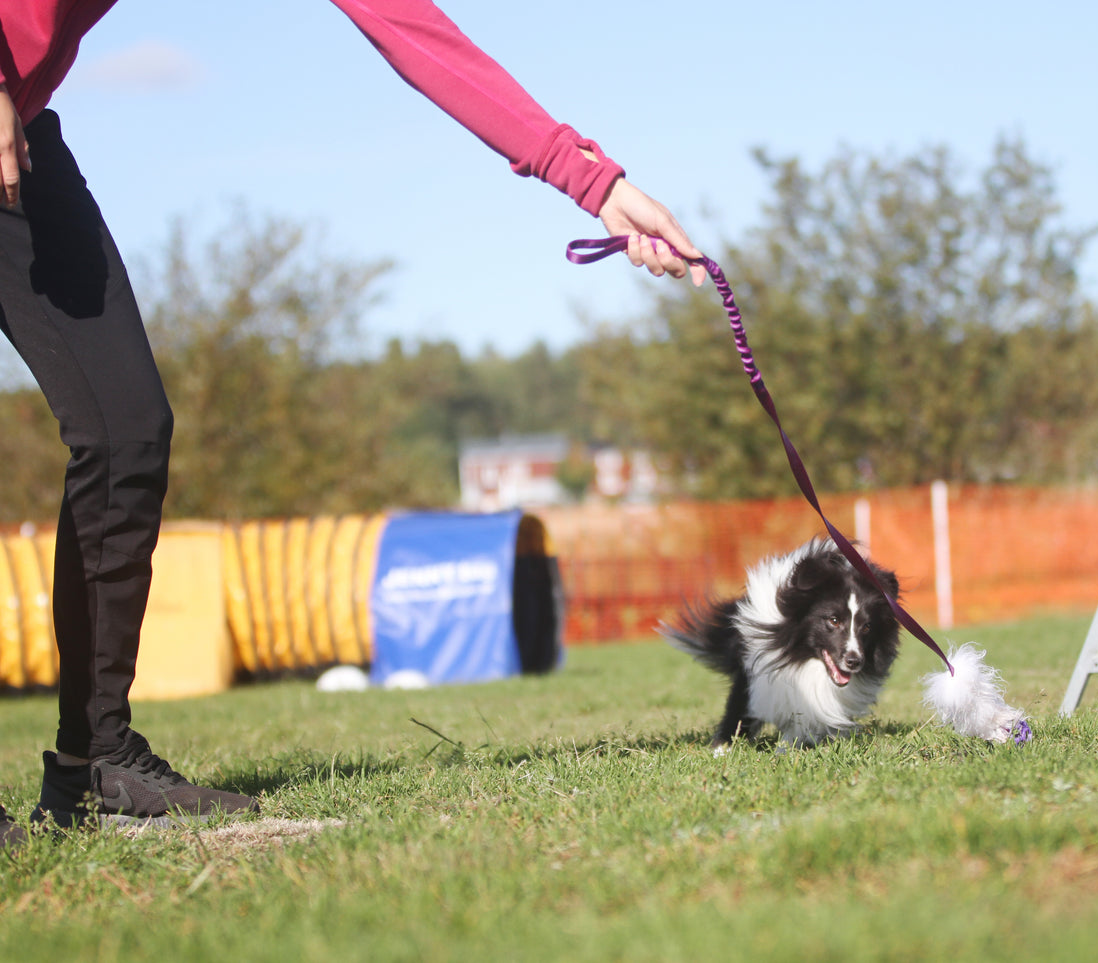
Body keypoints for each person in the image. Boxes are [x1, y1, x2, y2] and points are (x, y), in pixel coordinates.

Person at [0, 0, 703, 847]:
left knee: (126, 431)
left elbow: (409, 26)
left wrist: (593, 181)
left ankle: (93, 764)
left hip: (21, 135)